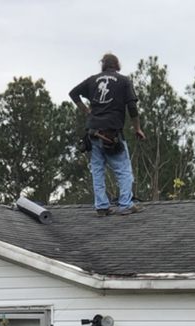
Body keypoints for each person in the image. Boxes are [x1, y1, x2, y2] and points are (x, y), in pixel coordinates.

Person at [69, 53, 146, 216]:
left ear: (103, 65)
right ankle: (125, 204)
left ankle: (102, 206)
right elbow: (132, 107)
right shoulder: (124, 81)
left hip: (94, 132)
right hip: (112, 132)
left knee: (97, 170)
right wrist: (137, 128)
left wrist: (87, 112)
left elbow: (73, 93)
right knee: (123, 169)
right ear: (117, 65)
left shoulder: (92, 80)